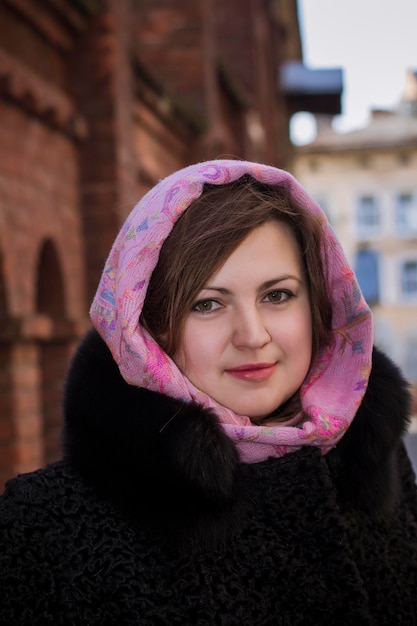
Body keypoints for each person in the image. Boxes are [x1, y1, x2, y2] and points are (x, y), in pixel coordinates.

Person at [0, 159, 416, 625]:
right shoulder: (44, 528)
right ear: (148, 330)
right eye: (208, 304)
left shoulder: (377, 463)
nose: (252, 335)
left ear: (319, 304)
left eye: (277, 295)